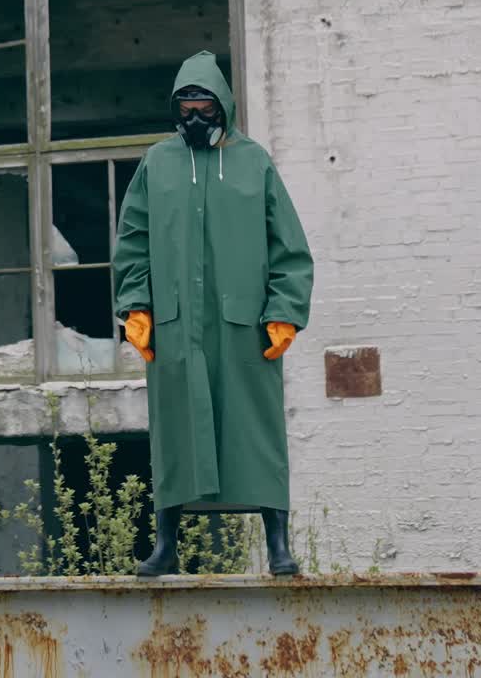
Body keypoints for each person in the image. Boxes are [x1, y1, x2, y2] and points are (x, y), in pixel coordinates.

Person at [112, 50, 314, 576]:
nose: (196, 118)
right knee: (176, 434)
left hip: (245, 329)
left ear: (222, 105)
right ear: (175, 111)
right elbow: (132, 240)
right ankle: (166, 545)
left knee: (257, 431)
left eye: (205, 107)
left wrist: (285, 312)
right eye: (187, 109)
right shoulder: (157, 163)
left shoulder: (254, 163)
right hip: (176, 329)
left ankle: (278, 546)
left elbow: (288, 246)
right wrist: (135, 306)